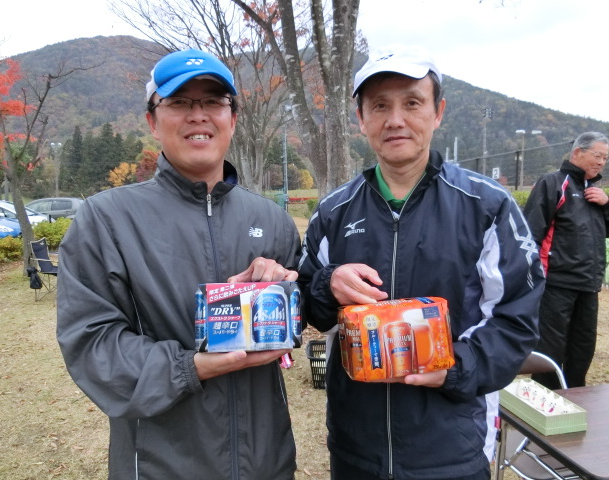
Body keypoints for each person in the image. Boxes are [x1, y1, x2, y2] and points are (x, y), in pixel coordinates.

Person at [297, 45, 544, 480]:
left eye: (412, 103)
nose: (395, 119)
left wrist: (454, 368)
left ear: (437, 112)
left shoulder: (488, 207)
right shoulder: (334, 212)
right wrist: (328, 284)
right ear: (361, 119)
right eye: (379, 106)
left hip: (452, 448)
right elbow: (306, 306)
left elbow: (516, 320)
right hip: (356, 449)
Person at [56, 49, 301, 480]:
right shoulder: (107, 219)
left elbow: (300, 315)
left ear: (232, 118)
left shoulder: (271, 218)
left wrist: (286, 291)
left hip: (266, 460)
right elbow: (92, 344)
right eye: (179, 102)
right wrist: (191, 367)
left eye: (213, 101)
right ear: (153, 121)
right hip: (160, 464)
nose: (198, 115)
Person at [523, 132, 609, 389]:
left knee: (583, 346)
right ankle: (545, 398)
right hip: (555, 284)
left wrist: (606, 205)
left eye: (605, 158)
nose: (601, 162)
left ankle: (575, 395)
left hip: (588, 285)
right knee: (550, 348)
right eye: (597, 155)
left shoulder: (595, 193)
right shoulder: (553, 183)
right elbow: (530, 234)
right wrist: (530, 278)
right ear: (577, 152)